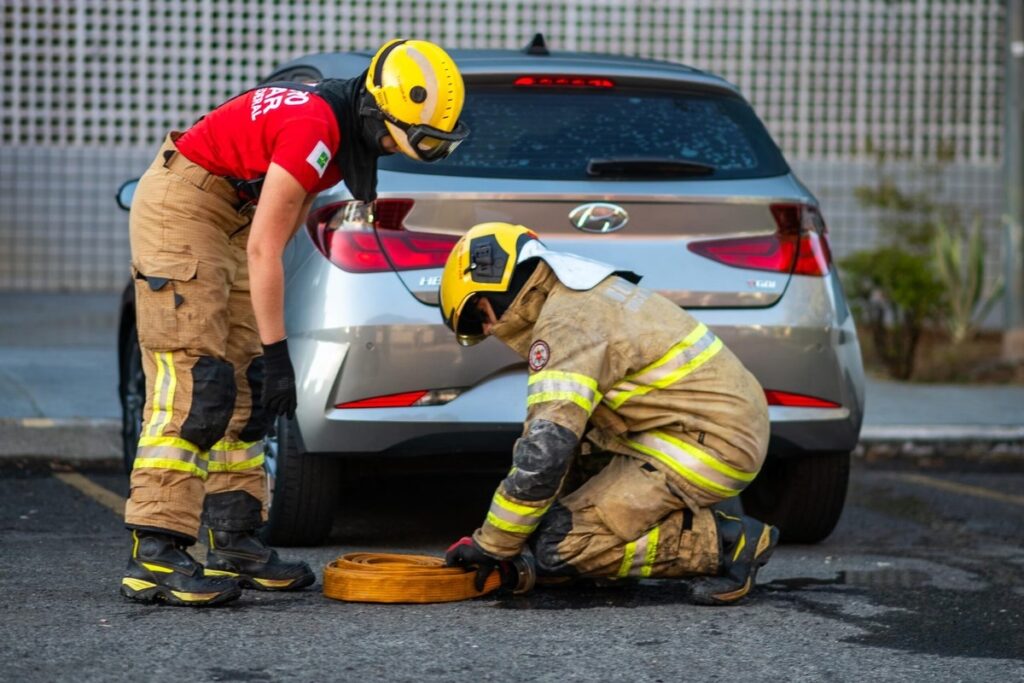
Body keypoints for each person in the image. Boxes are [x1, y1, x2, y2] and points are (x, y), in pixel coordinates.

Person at [122, 39, 468, 606]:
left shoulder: (338, 136)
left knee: (248, 386)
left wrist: (267, 357)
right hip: (183, 207)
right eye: (394, 137)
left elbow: (274, 243)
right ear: (375, 111)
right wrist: (282, 353)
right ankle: (155, 551)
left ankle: (233, 538)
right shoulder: (315, 128)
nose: (392, 150)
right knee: (196, 379)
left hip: (232, 214)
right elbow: (264, 248)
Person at [439, 223, 778, 605]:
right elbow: (564, 444)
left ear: (495, 279)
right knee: (571, 468)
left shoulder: (567, 322)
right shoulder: (579, 295)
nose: (487, 329)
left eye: (477, 316)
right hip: (699, 427)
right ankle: (600, 559)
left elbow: (544, 453)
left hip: (709, 444)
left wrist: (494, 546)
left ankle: (726, 545)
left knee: (560, 544)